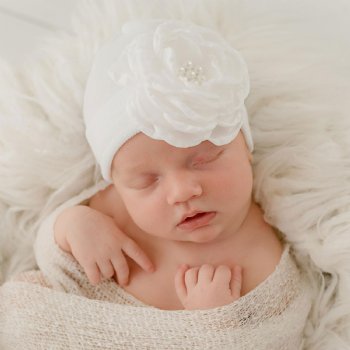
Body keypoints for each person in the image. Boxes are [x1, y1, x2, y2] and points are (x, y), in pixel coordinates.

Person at [54, 19, 284, 311]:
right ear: (119, 186)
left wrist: (216, 325)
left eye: (205, 159)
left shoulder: (261, 256)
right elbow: (50, 262)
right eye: (146, 181)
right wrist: (72, 225)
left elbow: (284, 332)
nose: (182, 192)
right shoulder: (112, 212)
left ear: (246, 150)